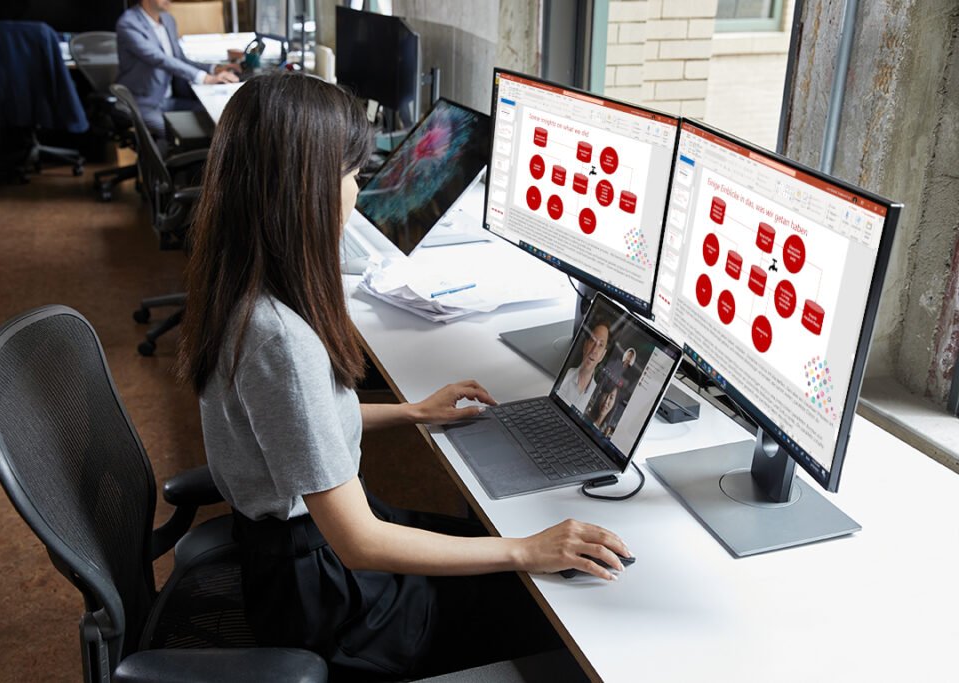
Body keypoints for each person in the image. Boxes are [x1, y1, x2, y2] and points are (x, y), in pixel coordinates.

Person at [177, 73, 632, 680]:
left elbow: (293, 427)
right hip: (326, 595)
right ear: (302, 190)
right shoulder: (280, 339)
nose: (356, 189)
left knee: (507, 557)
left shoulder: (241, 285)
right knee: (544, 602)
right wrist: (525, 550)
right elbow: (360, 543)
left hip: (304, 551)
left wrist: (411, 412)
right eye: (350, 174)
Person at [116, 0, 240, 140]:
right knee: (176, 135)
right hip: (144, 103)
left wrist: (214, 69)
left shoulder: (167, 19)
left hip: (169, 100)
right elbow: (159, 58)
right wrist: (206, 78)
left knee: (216, 118)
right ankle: (167, 160)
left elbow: (179, 58)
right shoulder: (128, 23)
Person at [555, 321, 609, 414]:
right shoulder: (564, 374)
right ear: (585, 345)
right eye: (593, 340)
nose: (594, 350)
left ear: (602, 356)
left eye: (600, 345)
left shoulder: (595, 394)